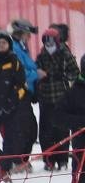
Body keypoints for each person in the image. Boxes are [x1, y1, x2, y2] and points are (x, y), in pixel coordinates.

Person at [0, 32, 34, 181]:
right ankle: (2, 162)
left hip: (11, 110)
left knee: (10, 142)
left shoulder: (15, 63)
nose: (2, 45)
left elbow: (22, 86)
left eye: (5, 43)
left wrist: (12, 102)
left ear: (9, 45)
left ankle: (4, 169)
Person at [37, 28, 79, 167]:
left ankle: (62, 159)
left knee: (62, 129)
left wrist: (62, 76)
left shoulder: (64, 54)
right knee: (46, 130)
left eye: (51, 41)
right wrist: (40, 78)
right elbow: (36, 71)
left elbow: (75, 72)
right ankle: (48, 159)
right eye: (46, 41)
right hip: (46, 96)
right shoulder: (41, 55)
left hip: (61, 95)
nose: (48, 45)